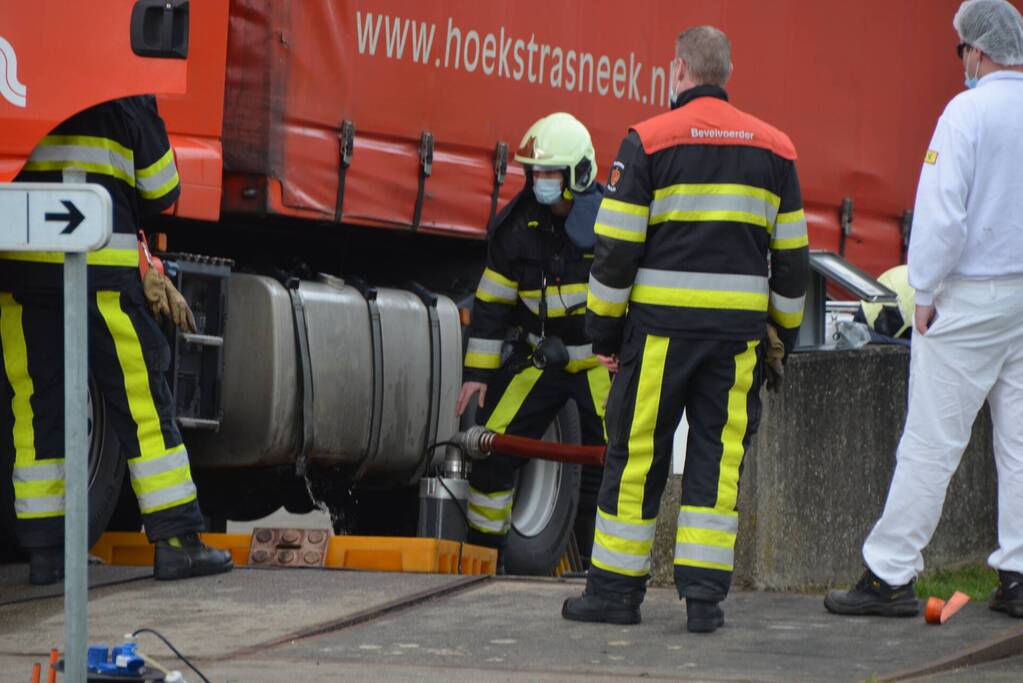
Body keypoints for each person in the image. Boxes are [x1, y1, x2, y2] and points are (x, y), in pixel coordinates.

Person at [562, 25, 808, 632]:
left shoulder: (647, 141)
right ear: (725, 74)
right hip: (737, 342)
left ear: (678, 71)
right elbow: (794, 258)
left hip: (659, 338)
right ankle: (704, 601)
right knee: (717, 460)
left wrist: (604, 336)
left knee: (637, 454)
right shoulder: (776, 151)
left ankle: (616, 595)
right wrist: (784, 336)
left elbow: (614, 250)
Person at [825, 0, 1023, 619]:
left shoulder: (966, 113)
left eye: (960, 50)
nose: (960, 62)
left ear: (980, 50)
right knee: (1019, 444)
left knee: (932, 442)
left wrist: (927, 292)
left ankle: (889, 575)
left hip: (969, 298)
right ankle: (1018, 576)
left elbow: (941, 215)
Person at [0, 96, 234, 585]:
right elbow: (162, 186)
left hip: (18, 268)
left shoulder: (20, 71)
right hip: (98, 268)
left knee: (37, 406)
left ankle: (47, 554)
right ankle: (176, 541)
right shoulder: (122, 92)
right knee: (141, 401)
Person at [456, 112, 610, 572]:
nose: (540, 182)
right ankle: (485, 561)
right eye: (536, 172)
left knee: (618, 462)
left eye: (550, 173)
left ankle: (605, 569)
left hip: (601, 366)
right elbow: (491, 304)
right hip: (538, 362)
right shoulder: (518, 228)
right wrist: (478, 375)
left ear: (577, 174)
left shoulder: (610, 226)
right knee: (492, 446)